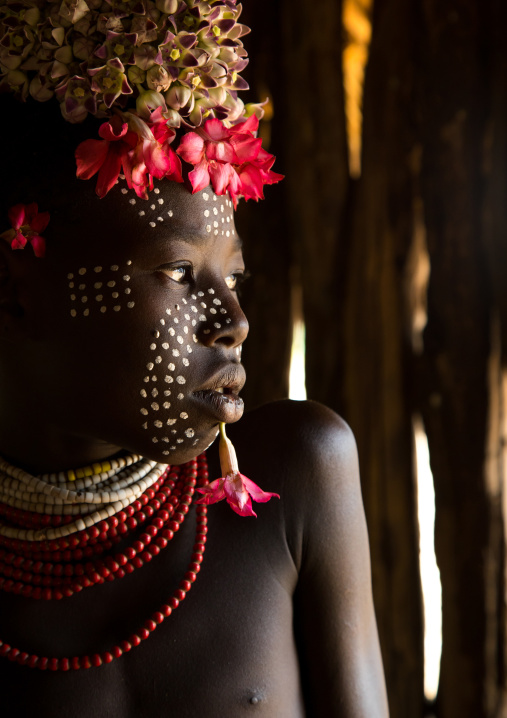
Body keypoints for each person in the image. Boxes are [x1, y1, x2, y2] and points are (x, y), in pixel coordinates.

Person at [0, 1, 389, 715]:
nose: (232, 321)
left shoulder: (297, 477)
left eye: (232, 277)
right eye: (179, 274)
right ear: (17, 293)